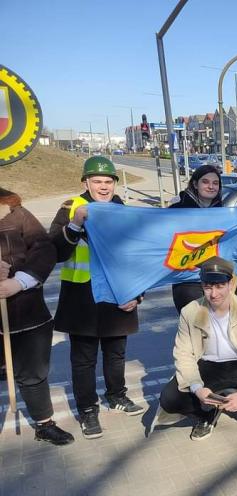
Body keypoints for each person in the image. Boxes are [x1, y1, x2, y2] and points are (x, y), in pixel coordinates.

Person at [49, 156, 145, 440]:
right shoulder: (71, 209)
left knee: (116, 353)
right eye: (97, 182)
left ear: (115, 183)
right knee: (84, 360)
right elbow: (55, 252)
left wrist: (137, 294)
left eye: (108, 181)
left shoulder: (122, 210)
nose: (103, 187)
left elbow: (136, 256)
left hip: (118, 294)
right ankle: (87, 410)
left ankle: (116, 395)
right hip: (82, 297)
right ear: (85, 183)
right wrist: (75, 226)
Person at [159, 257, 237, 440]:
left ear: (229, 284)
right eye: (208, 287)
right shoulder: (190, 311)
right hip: (207, 365)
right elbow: (183, 354)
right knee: (170, 399)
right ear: (202, 285)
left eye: (219, 286)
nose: (213, 294)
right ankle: (206, 415)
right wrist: (197, 389)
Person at [0, 188, 74, 445]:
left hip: (26, 314)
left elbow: (44, 249)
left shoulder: (16, 214)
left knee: (33, 373)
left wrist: (19, 281)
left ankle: (44, 424)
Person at [168, 165, 223, 313]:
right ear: (195, 184)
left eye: (215, 183)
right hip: (187, 281)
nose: (211, 186)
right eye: (205, 182)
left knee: (219, 331)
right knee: (196, 328)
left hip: (217, 279)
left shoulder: (224, 213)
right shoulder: (177, 210)